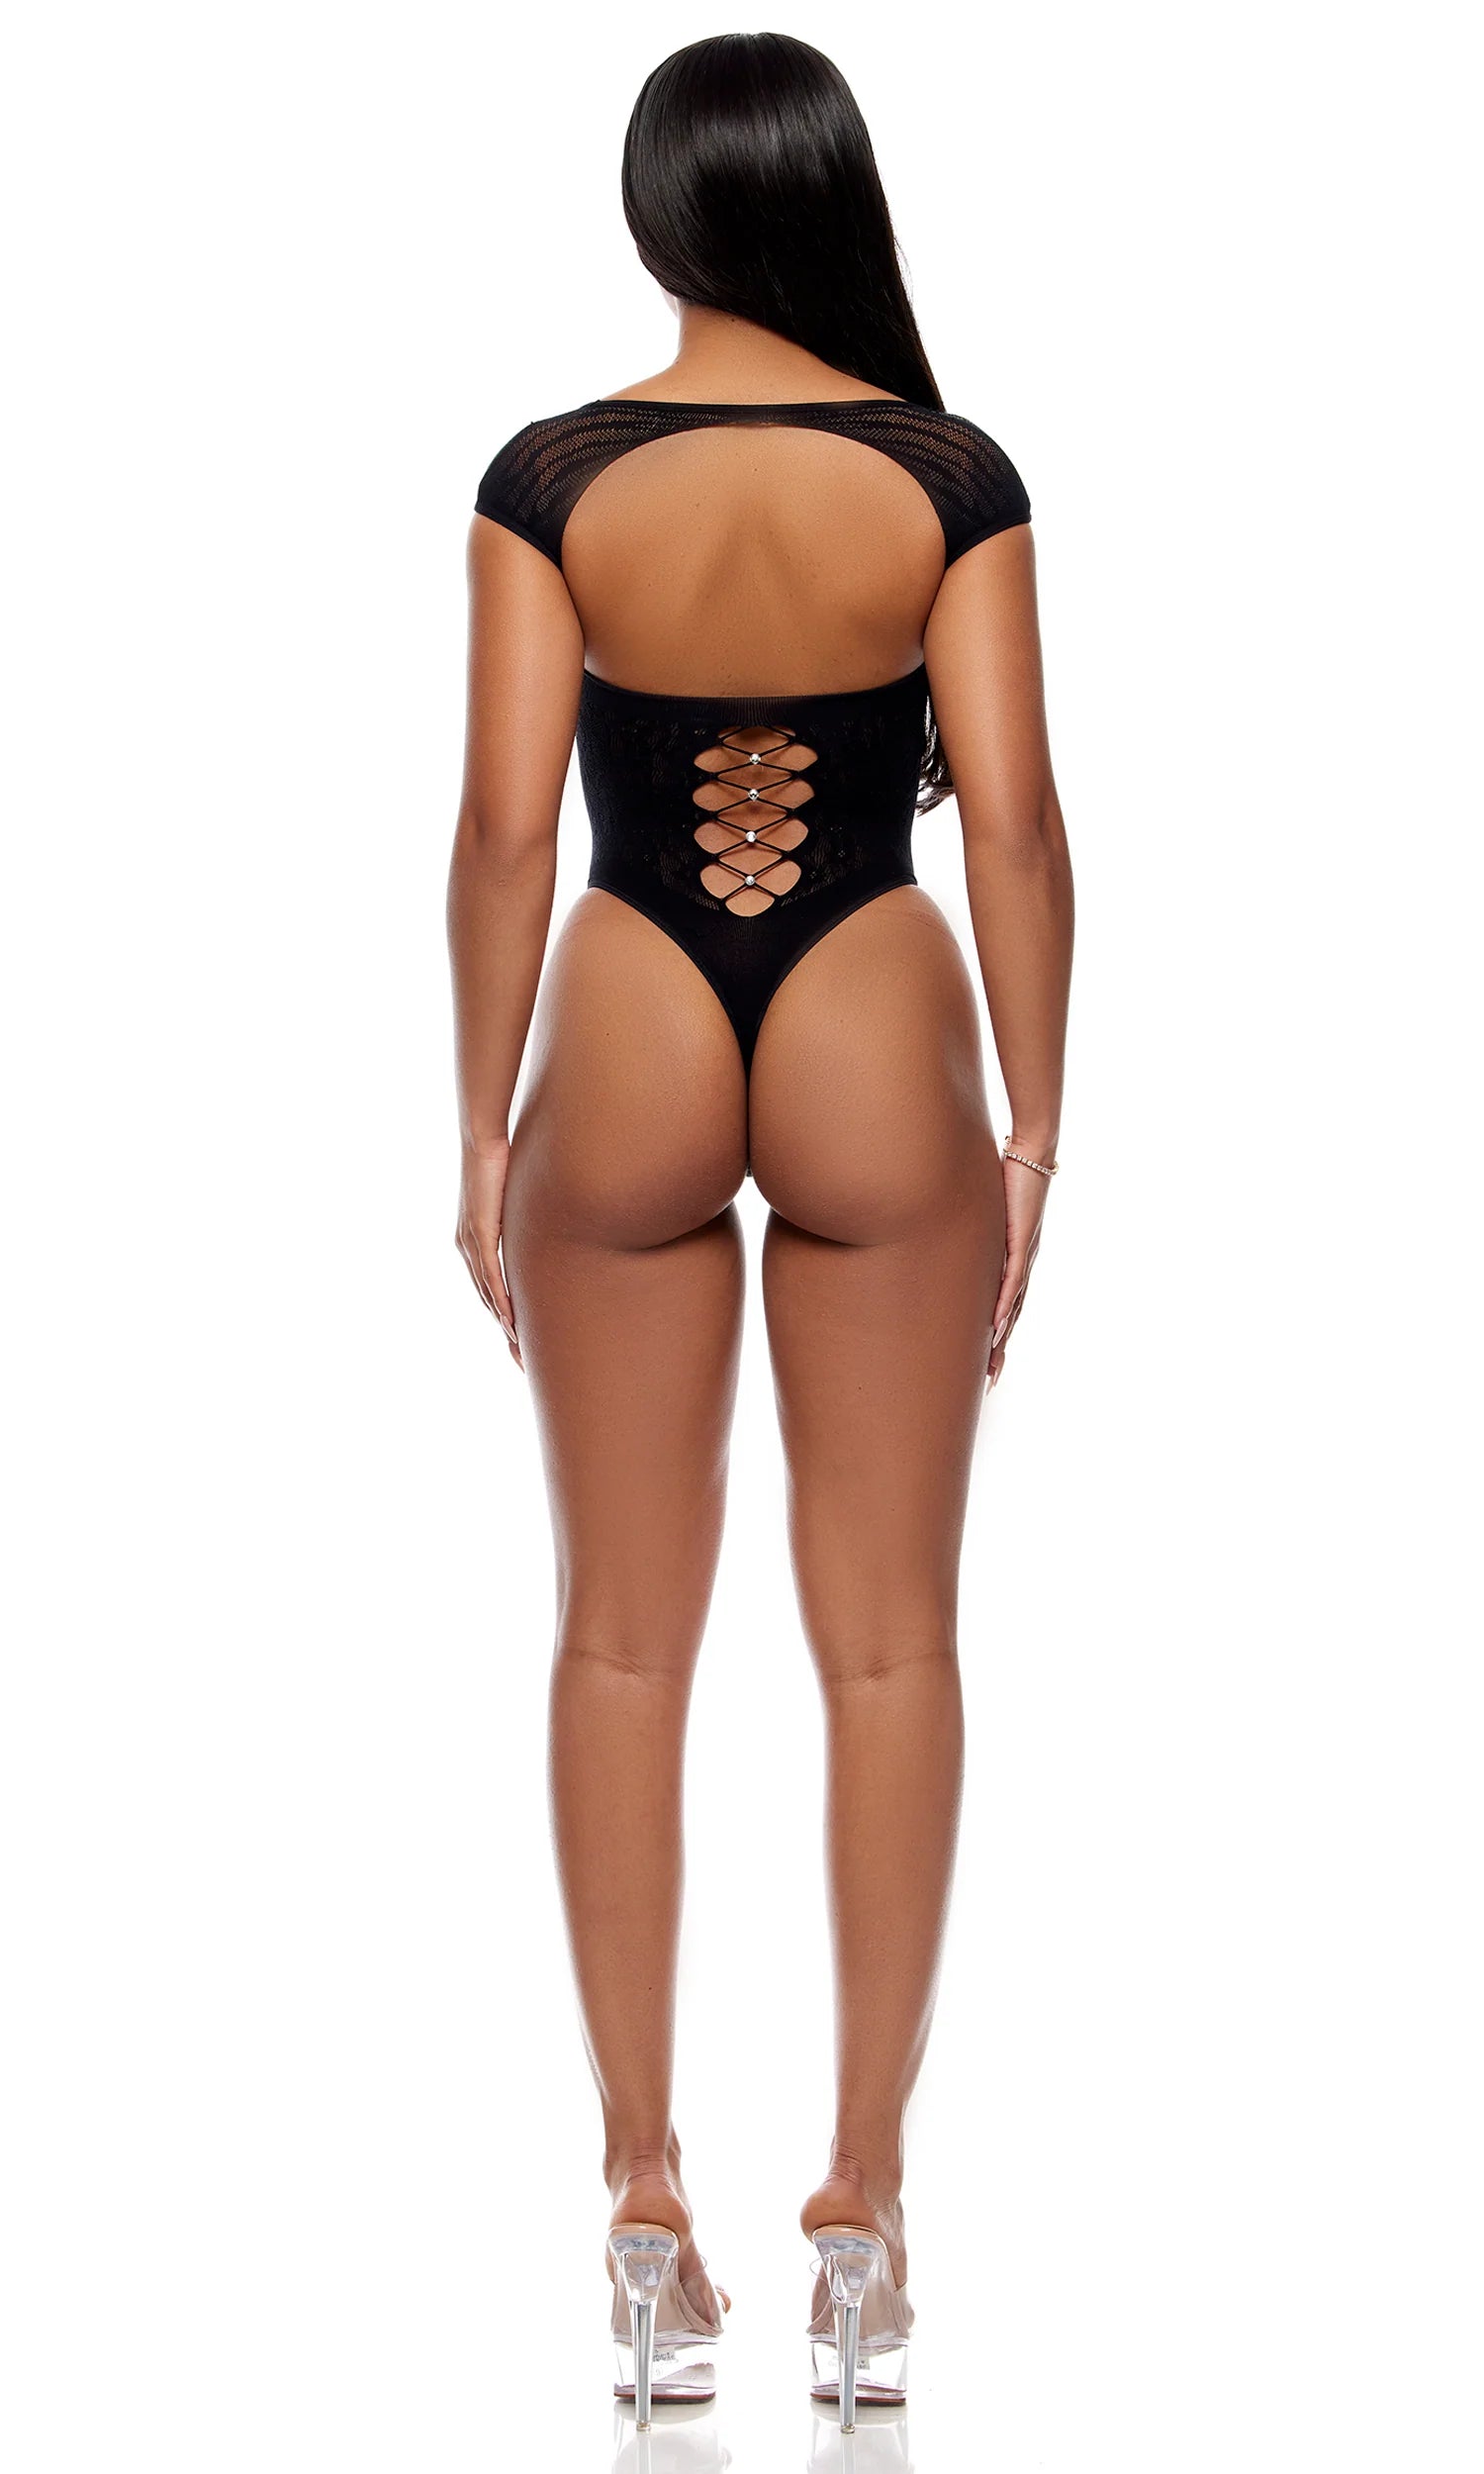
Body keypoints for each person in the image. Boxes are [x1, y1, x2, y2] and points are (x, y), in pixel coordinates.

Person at [447, 30, 1073, 2433]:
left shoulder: (552, 476)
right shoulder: (945, 472)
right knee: (891, 1642)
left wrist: (472, 1120)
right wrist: (1038, 1131)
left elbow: (511, 827)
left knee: (619, 1638)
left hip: (622, 998)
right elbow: (1011, 819)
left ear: (660, 213)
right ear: (830, 198)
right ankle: (867, 2213)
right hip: (873, 1005)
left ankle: (639, 2190)